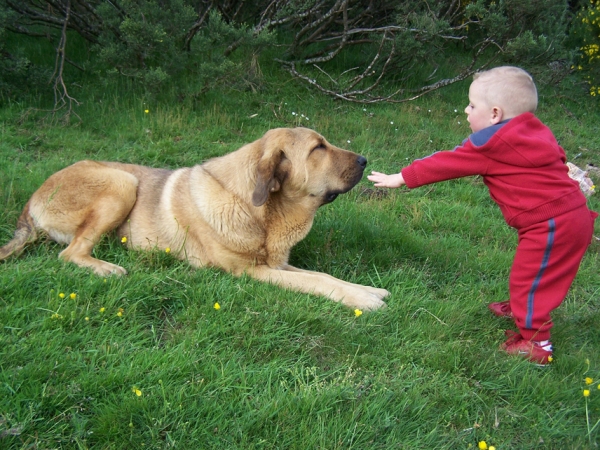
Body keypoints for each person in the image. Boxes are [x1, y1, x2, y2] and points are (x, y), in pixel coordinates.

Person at [368, 66, 597, 365]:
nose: (466, 110)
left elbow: (447, 163)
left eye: (472, 105)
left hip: (551, 223)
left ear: (495, 115)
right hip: (570, 215)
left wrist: (401, 177)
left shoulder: (491, 144)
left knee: (532, 278)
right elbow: (558, 155)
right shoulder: (533, 130)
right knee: (535, 276)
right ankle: (522, 307)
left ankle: (538, 344)